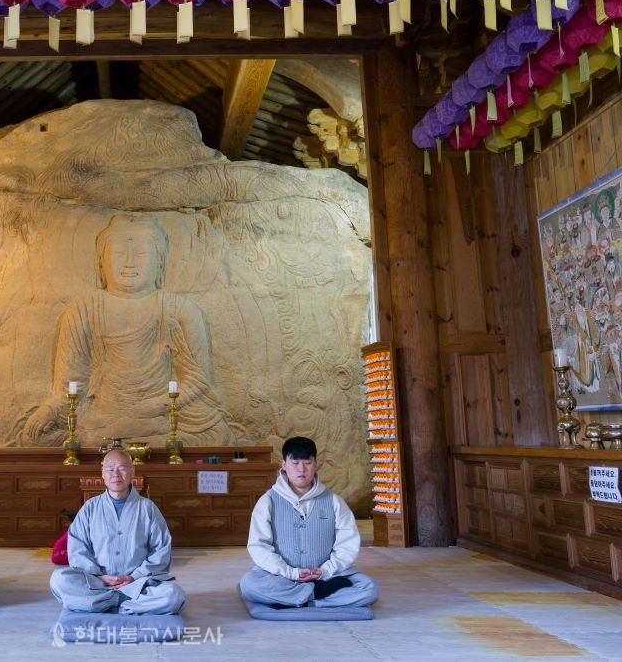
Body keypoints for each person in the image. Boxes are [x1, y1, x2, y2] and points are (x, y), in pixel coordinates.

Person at [22, 213, 233, 445]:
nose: (129, 263)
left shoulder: (180, 309)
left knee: (218, 435)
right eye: (118, 254)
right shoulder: (82, 311)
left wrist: (155, 406)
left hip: (161, 412)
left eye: (142, 254)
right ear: (101, 261)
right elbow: (70, 386)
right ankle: (139, 440)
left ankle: (113, 442)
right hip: (103, 413)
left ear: (160, 261)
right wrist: (50, 410)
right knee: (34, 438)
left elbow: (198, 381)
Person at [239, 436, 378, 609]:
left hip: (326, 576)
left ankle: (293, 599)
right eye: (295, 463)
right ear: (284, 465)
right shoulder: (268, 501)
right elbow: (258, 546)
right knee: (249, 585)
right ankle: (316, 595)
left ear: (316, 464)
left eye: (307, 462)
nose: (301, 469)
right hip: (281, 576)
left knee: (368, 588)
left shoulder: (334, 501)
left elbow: (347, 544)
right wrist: (290, 572)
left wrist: (325, 571)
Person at [49, 449, 186, 614]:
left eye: (122, 468)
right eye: (110, 468)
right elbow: (77, 548)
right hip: (97, 583)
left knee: (173, 595)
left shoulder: (147, 508)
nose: (116, 474)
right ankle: (125, 604)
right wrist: (99, 576)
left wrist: (134, 577)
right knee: (59, 580)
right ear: (103, 474)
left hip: (138, 584)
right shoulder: (90, 508)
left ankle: (104, 603)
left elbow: (161, 550)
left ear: (132, 471)